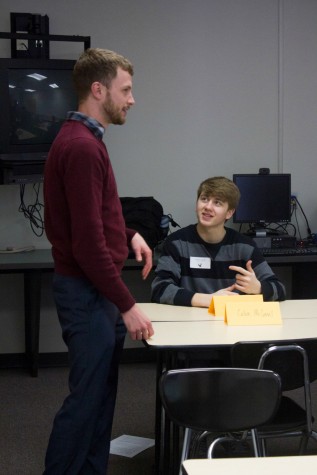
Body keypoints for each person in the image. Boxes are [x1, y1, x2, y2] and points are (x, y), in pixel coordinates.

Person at [43, 48, 154, 475]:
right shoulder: (83, 148)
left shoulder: (82, 140)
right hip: (88, 293)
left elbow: (91, 219)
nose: (131, 99)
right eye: (125, 90)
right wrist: (127, 304)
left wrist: (128, 234)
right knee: (85, 402)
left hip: (92, 292)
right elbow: (87, 243)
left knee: (101, 398)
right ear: (98, 89)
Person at [151, 176, 286, 307]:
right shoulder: (177, 242)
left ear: (229, 213)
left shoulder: (245, 246)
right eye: (204, 199)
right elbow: (159, 289)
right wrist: (209, 300)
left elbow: (279, 289)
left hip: (231, 323)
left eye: (217, 202)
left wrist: (259, 288)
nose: (208, 207)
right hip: (191, 322)